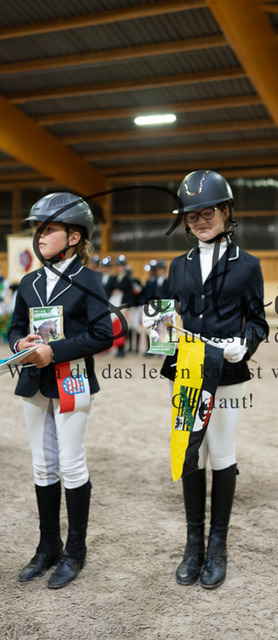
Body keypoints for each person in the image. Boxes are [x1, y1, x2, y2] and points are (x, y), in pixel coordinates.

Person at [144, 170, 268, 589]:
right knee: (190, 452)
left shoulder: (247, 265)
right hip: (185, 369)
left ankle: (218, 546)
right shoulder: (178, 265)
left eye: (208, 212)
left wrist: (243, 344)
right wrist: (156, 328)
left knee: (222, 453)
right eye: (192, 215)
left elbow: (258, 322)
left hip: (227, 370)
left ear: (226, 211)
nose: (200, 221)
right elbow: (167, 316)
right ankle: (193, 544)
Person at [8, 192, 113, 589]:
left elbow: (103, 334)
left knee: (71, 464)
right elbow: (15, 328)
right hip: (34, 381)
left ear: (73, 237)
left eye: (48, 229)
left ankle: (75, 551)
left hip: (72, 378)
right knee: (42, 465)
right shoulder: (29, 282)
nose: (40, 237)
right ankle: (48, 545)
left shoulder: (89, 281)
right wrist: (20, 344)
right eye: (38, 230)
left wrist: (55, 351)